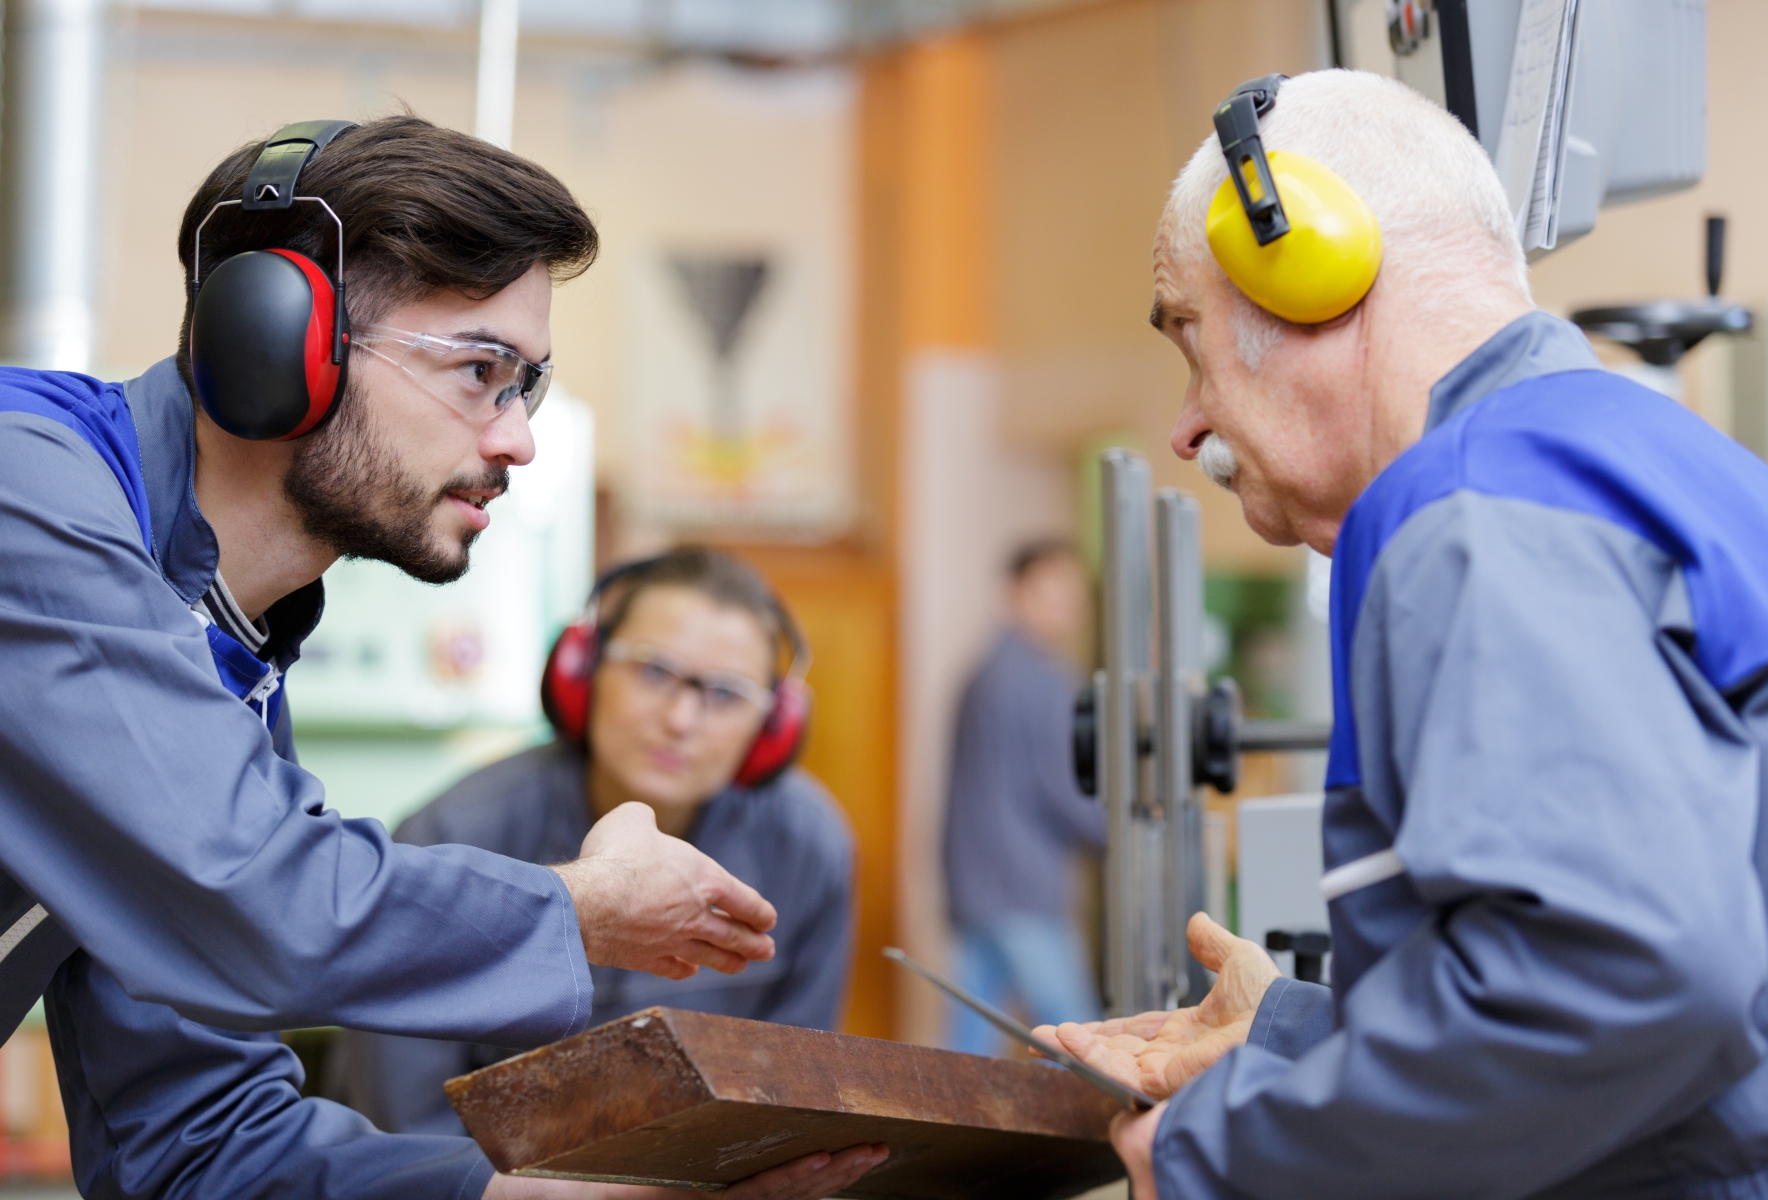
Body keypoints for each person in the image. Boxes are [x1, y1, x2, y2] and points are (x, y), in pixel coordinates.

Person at [1, 117, 881, 1198]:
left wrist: (604, 1196)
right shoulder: (25, 491)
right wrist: (581, 909)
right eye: (480, 371)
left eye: (528, 387)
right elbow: (254, 897)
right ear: (277, 344)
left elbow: (199, 1144)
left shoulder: (225, 662)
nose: (518, 439)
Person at [1040, 70, 1768, 1198]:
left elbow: (1631, 975)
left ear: (1305, 268)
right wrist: (1295, 1038)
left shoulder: (1473, 505)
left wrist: (1232, 1154)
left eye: (1191, 338)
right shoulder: (1683, 469)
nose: (1187, 421)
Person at [329, 548, 855, 1136]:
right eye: (654, 671)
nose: (681, 719)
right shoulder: (453, 834)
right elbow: (405, 1125)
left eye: (726, 694)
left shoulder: (811, 848)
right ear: (584, 669)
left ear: (773, 725)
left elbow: (794, 1102)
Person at [942, 539, 1106, 1054]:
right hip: (1023, 886)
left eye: (1072, 598)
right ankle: (1082, 1136)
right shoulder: (1042, 677)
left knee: (970, 1041)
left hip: (976, 884)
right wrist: (1124, 832)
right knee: (1079, 1042)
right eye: (1049, 593)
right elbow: (1064, 787)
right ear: (1014, 594)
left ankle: (948, 1133)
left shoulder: (983, 670)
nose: (1063, 610)